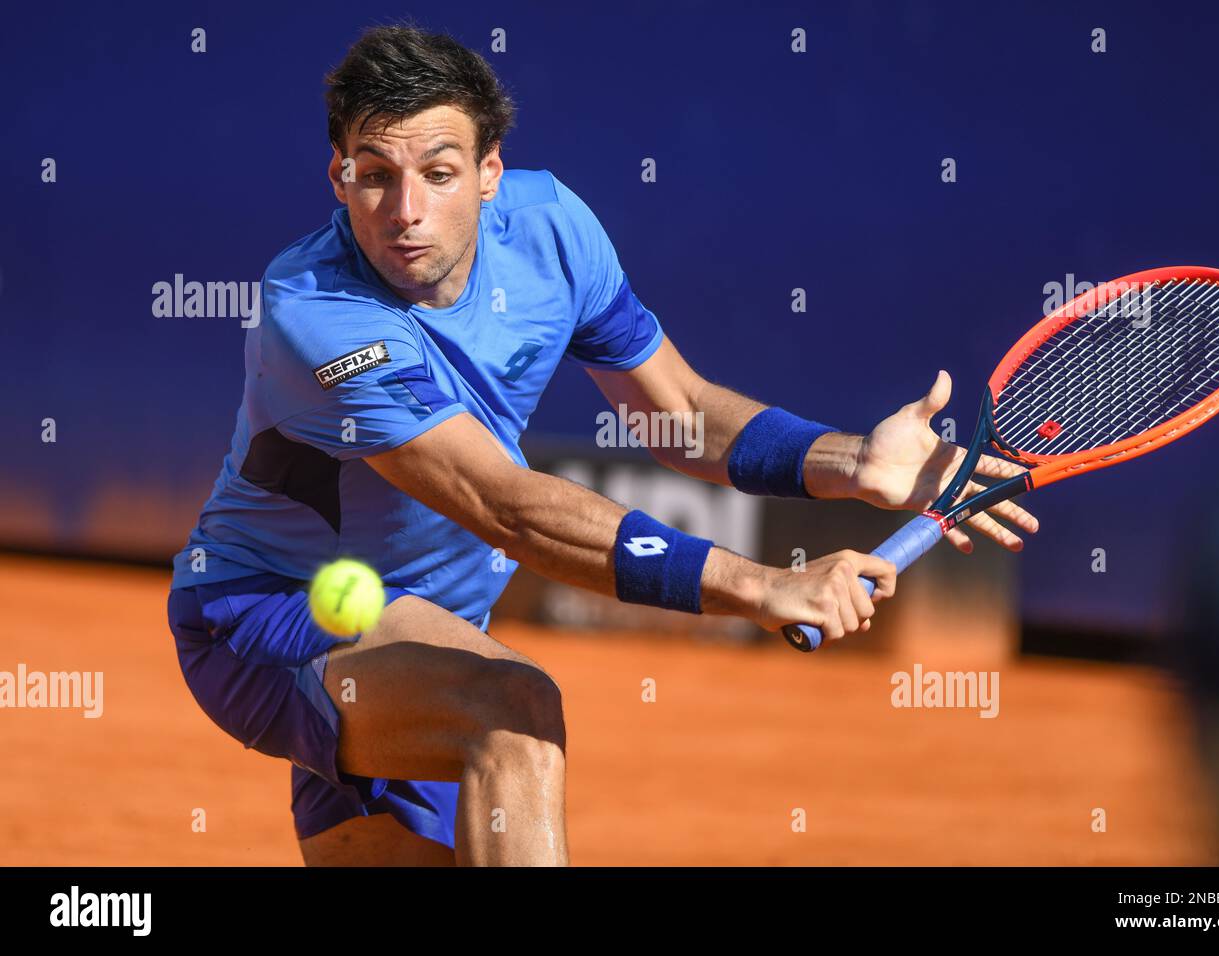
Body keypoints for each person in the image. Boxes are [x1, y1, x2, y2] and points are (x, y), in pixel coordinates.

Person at [165, 24, 1037, 866]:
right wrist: (762, 584)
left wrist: (853, 464)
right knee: (515, 712)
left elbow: (681, 412)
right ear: (338, 176)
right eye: (374, 176)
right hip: (268, 613)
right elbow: (510, 509)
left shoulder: (553, 231)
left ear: (490, 172)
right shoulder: (315, 315)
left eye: (438, 173)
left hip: (429, 632)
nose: (406, 211)